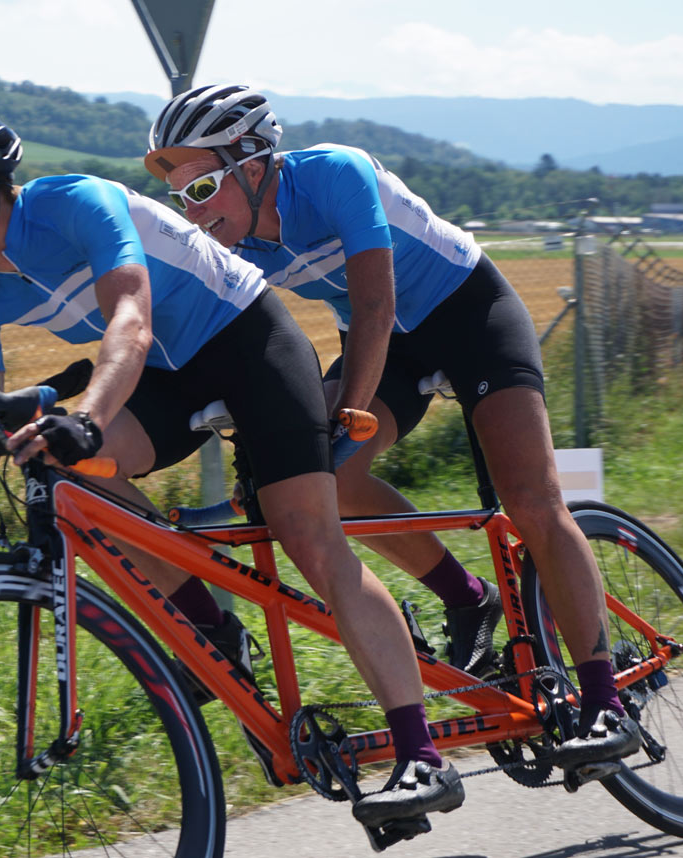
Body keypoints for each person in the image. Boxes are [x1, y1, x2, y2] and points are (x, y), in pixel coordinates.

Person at [0, 96, 465, 828]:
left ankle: (419, 753)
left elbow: (132, 320)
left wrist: (87, 419)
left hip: (247, 342)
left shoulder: (76, 202)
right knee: (53, 471)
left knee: (307, 532)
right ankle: (212, 628)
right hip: (167, 377)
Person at [144, 85, 641, 797]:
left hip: (469, 317)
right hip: (389, 347)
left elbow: (376, 303)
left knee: (530, 499)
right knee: (332, 486)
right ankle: (467, 597)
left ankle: (605, 699)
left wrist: (347, 416)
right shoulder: (234, 238)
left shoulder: (335, 173)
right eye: (178, 196)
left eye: (201, 185)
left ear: (254, 162)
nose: (192, 209)